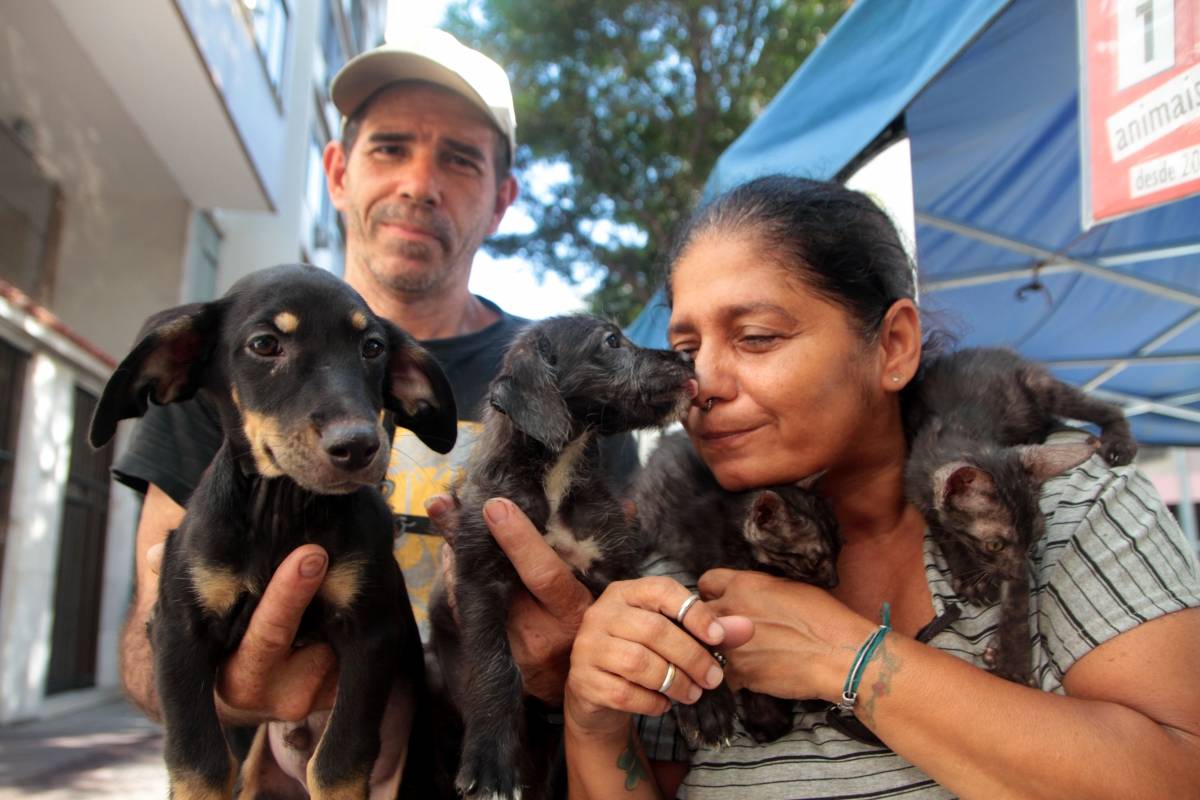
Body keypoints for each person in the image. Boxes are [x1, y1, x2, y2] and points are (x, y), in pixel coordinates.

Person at [478, 175, 1200, 798]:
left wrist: (843, 654)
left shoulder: (1062, 506)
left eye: (757, 337)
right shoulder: (678, 575)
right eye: (688, 349)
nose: (700, 384)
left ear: (892, 347)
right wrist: (594, 722)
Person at [112, 29, 634, 796]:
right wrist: (225, 687)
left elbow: (620, 627)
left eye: (460, 159)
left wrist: (575, 669)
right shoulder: (232, 373)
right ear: (337, 172)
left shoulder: (570, 378)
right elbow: (145, 647)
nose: (420, 181)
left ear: (501, 201)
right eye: (390, 148)